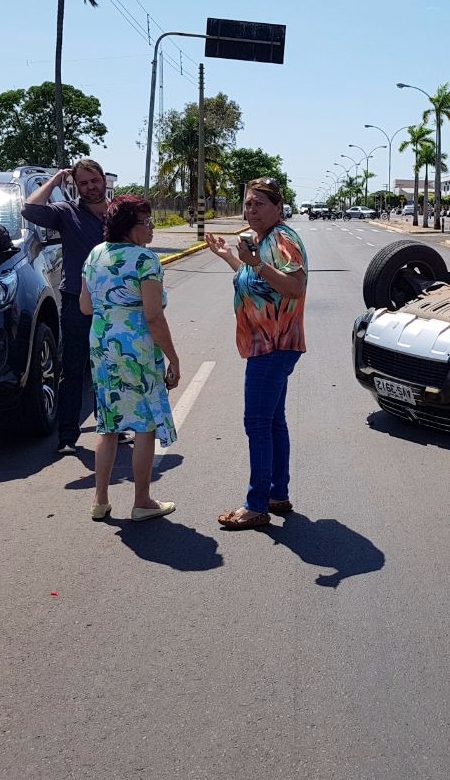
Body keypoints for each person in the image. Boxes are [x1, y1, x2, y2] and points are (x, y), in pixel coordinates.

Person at [205, 178, 308, 530]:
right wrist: (232, 259)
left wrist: (257, 263)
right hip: (268, 343)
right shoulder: (263, 242)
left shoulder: (282, 240)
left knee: (257, 423)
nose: (251, 210)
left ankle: (256, 504)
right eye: (248, 204)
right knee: (273, 421)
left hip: (274, 344)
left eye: (259, 204)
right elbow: (258, 282)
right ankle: (278, 493)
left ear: (278, 208)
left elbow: (295, 287)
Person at [21, 158, 134, 455]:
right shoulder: (65, 212)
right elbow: (30, 209)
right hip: (76, 300)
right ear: (75, 185)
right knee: (72, 368)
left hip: (115, 301)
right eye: (82, 183)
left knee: (110, 366)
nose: (90, 187)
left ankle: (112, 428)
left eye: (93, 180)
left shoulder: (119, 212)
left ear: (102, 178)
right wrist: (55, 180)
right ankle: (68, 437)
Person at [80, 195, 181, 522]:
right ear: (129, 227)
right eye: (145, 222)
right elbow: (154, 317)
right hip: (137, 348)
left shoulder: (95, 254)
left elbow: (85, 306)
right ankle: (141, 501)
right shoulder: (144, 260)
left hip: (102, 345)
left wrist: (112, 309)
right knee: (144, 423)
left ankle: (100, 501)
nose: (151, 228)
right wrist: (174, 358)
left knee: (107, 424)